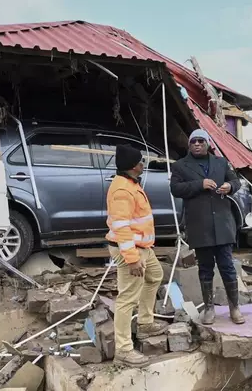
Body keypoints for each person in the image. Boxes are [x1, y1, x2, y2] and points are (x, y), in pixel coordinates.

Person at [170, 129, 245, 325]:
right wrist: (199, 184)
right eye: (193, 141)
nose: (197, 144)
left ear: (208, 143)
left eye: (201, 141)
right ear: (189, 145)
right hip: (199, 225)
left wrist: (230, 186)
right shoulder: (180, 166)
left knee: (228, 267)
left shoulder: (220, 163)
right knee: (205, 269)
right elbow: (175, 189)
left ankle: (234, 307)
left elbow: (236, 181)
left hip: (222, 223)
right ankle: (209, 308)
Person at [106, 144, 166, 366]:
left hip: (142, 248)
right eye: (141, 161)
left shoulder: (130, 183)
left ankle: (145, 323)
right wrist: (132, 259)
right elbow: (122, 228)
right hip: (130, 249)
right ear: (133, 166)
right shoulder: (122, 190)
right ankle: (123, 350)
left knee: (155, 276)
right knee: (127, 298)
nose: (143, 164)